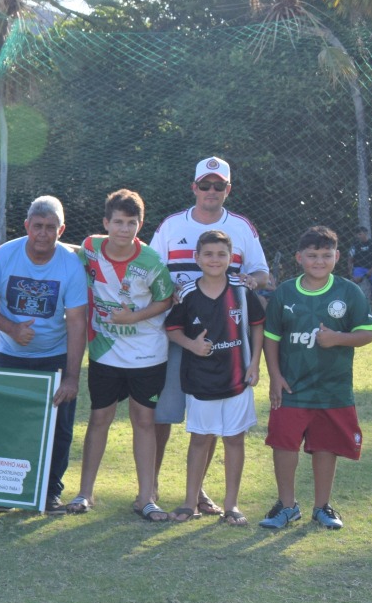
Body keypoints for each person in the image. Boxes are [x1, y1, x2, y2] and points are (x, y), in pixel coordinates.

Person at [148, 157, 270, 516]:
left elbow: (261, 273)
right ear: (194, 187)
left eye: (219, 186)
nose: (211, 191)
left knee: (212, 419)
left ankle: (198, 494)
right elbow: (150, 269)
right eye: (205, 185)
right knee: (164, 414)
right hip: (176, 334)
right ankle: (150, 489)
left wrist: (249, 282)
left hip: (225, 340)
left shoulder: (242, 227)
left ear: (228, 189)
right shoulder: (171, 225)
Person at [0, 196, 88, 514]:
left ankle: (50, 492)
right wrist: (11, 328)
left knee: (59, 428)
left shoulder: (70, 265)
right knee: (6, 423)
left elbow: (77, 322)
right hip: (9, 354)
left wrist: (72, 377)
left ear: (61, 230)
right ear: (26, 226)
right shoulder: (4, 256)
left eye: (51, 227)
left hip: (54, 355)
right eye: (37, 226)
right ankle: (4, 491)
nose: (43, 233)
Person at [68, 189, 176, 521]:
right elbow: (71, 259)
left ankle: (145, 498)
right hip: (105, 352)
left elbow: (166, 299)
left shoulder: (152, 261)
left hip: (147, 354)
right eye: (118, 222)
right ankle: (85, 493)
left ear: (140, 225)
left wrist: (134, 317)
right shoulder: (90, 248)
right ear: (106, 223)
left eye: (131, 223)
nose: (124, 229)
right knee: (99, 419)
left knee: (143, 421)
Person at [259, 226, 372, 531]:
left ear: (337, 256)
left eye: (326, 255)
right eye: (312, 255)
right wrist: (275, 376)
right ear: (299, 258)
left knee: (326, 445)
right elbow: (271, 338)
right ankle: (287, 506)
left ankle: (322, 507)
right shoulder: (285, 292)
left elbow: (367, 334)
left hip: (332, 388)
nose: (319, 261)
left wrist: (337, 338)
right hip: (291, 387)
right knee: (284, 444)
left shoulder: (348, 292)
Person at [163, 231, 265, 525]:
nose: (215, 260)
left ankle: (232, 505)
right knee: (200, 439)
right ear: (197, 258)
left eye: (221, 254)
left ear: (231, 258)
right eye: (208, 254)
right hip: (200, 380)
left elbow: (258, 325)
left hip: (237, 378)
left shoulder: (241, 289)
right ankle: (189, 502)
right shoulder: (186, 293)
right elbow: (172, 329)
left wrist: (254, 363)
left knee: (234, 440)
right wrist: (192, 345)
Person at [347, 226, 372, 303]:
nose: (358, 236)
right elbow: (350, 258)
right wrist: (350, 271)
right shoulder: (355, 245)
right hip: (359, 268)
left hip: (371, 267)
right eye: (357, 234)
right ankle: (352, 302)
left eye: (360, 234)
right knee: (354, 282)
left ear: (365, 233)